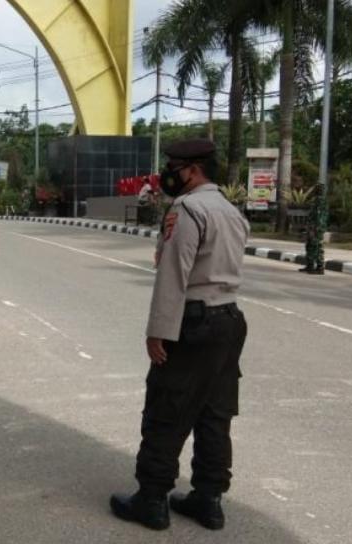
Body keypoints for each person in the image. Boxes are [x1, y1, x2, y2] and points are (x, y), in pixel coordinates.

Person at [110, 139, 249, 532]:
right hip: (229, 320)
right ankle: (209, 499)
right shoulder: (230, 210)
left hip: (195, 322)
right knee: (214, 413)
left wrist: (158, 331)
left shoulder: (187, 210)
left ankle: (152, 499)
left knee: (166, 409)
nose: (167, 173)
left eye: (173, 166)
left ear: (193, 169)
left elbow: (174, 274)